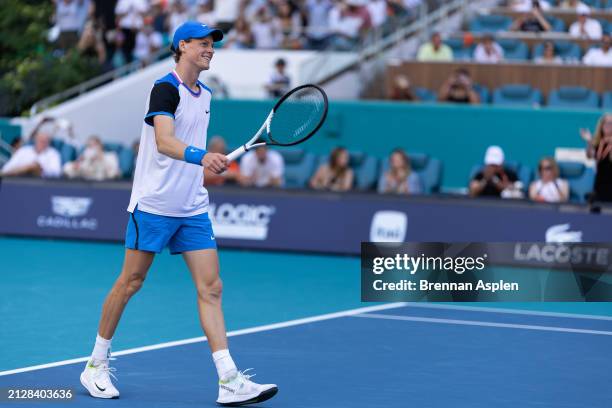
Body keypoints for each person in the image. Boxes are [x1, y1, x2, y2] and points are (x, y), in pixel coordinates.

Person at [79, 22, 278, 405]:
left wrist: (205, 167)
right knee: (130, 283)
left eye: (212, 44)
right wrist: (203, 156)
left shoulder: (206, 94)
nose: (210, 49)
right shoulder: (165, 88)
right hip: (153, 205)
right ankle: (95, 365)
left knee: (211, 288)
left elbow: (187, 153)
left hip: (192, 206)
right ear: (181, 46)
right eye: (203, 43)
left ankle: (229, 379)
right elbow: (165, 141)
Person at [580, 113, 612, 202]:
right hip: (599, 184)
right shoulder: (598, 142)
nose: (608, 126)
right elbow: (589, 155)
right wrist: (589, 141)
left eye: (611, 123)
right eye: (605, 123)